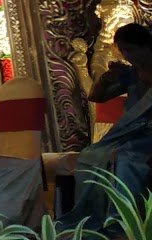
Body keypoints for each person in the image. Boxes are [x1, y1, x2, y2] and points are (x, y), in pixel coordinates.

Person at [60, 22, 152, 231]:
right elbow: (96, 97)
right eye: (123, 51)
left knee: (124, 157)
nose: (127, 55)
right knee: (91, 155)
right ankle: (94, 217)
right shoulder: (131, 73)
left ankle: (123, 222)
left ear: (145, 46)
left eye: (130, 50)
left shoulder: (142, 73)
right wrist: (108, 78)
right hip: (132, 132)